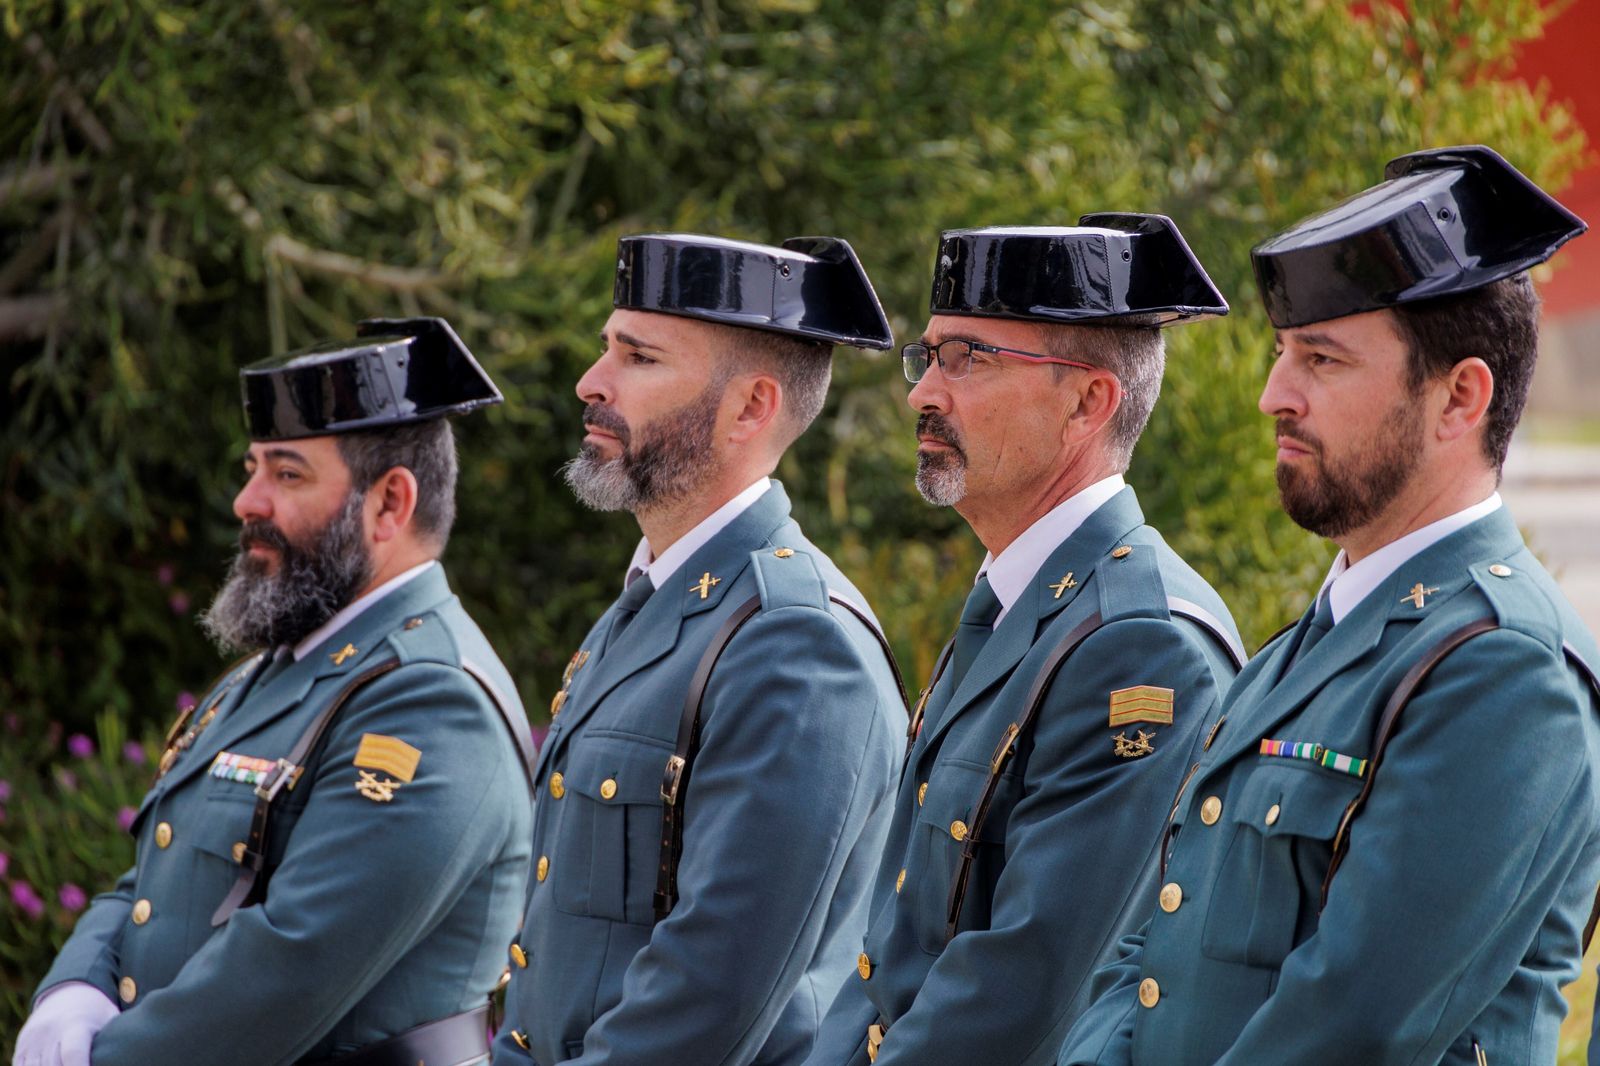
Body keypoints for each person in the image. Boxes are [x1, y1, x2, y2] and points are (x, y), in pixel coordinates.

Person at [1059, 145, 1600, 1066]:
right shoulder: (1303, 652)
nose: (1276, 394)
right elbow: (1142, 963)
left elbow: (1348, 1031)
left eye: (1322, 359)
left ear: (1459, 398)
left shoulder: (1503, 671)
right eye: (1282, 354)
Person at [13, 318, 535, 1066]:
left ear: (390, 504)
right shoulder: (277, 674)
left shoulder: (431, 701)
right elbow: (153, 878)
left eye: (286, 475)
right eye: (253, 467)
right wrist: (75, 993)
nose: (245, 501)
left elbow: (288, 969)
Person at [807, 215, 1244, 1066]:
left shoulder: (1139, 643)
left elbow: (1022, 994)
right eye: (928, 356)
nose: (923, 393)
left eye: (969, 358)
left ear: (1089, 401)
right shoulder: (1017, 606)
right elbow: (888, 948)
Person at [491, 233, 907, 1065]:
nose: (591, 382)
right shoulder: (653, 604)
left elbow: (704, 1001)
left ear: (749, 408)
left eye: (638, 358)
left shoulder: (797, 645)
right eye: (608, 348)